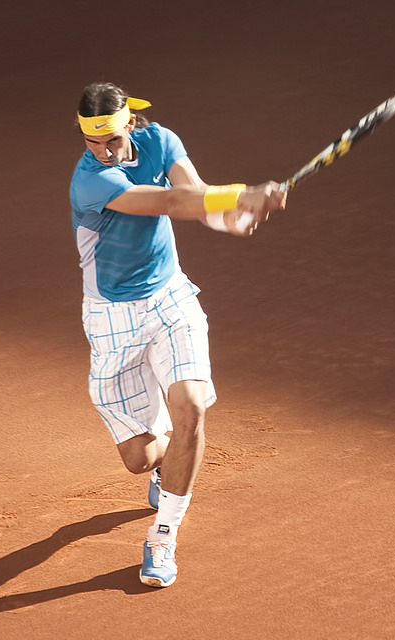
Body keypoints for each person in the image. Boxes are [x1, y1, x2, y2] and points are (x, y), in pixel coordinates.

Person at [69, 81, 286, 588]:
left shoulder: (161, 141)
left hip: (170, 298)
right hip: (111, 317)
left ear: (132, 124)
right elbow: (168, 202)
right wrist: (242, 195)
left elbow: (193, 195)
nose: (105, 151)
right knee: (139, 457)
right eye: (93, 143)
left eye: (113, 140)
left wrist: (227, 217)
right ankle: (167, 465)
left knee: (190, 408)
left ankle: (162, 537)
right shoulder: (91, 181)